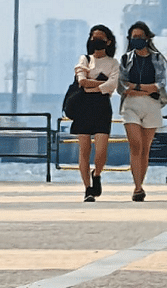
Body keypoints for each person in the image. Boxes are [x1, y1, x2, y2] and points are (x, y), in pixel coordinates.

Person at [118, 21, 167, 202]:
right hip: (130, 105)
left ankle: (140, 182)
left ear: (147, 37)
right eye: (133, 37)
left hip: (152, 106)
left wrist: (138, 87)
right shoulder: (125, 59)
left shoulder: (157, 58)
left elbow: (160, 85)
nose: (136, 40)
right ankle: (137, 187)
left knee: (145, 149)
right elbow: (122, 86)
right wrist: (146, 88)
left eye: (140, 37)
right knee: (135, 146)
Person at [71, 24, 119, 202]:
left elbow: (112, 85)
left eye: (100, 37)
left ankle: (97, 173)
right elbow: (82, 81)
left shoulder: (113, 63)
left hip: (102, 107)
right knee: (84, 150)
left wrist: (95, 86)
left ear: (108, 41)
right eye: (93, 37)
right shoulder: (84, 59)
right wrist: (100, 85)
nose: (96, 40)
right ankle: (87, 188)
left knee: (101, 150)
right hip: (83, 107)